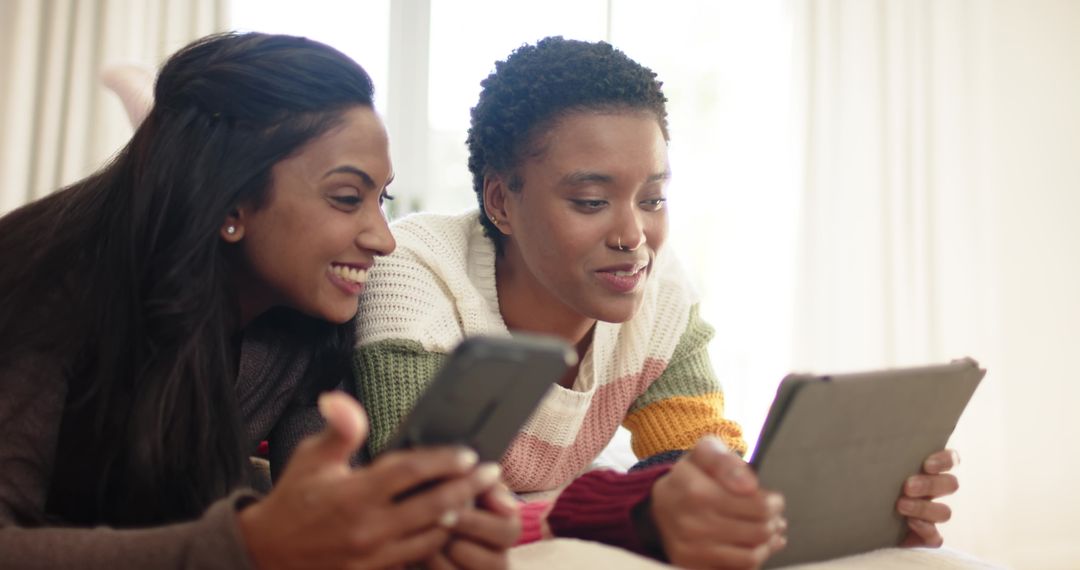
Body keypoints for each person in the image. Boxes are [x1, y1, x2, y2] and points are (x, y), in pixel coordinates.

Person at [352, 36, 960, 567]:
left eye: (653, 198)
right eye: (591, 201)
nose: (633, 237)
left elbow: (698, 466)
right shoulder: (415, 275)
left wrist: (840, 512)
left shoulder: (659, 291)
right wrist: (641, 509)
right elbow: (429, 507)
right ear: (500, 202)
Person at [0, 32, 520, 569]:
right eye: (347, 198)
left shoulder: (307, 321)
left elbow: (323, 510)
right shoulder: (45, 287)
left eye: (381, 198)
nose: (384, 239)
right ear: (231, 202)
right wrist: (246, 544)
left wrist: (410, 537)